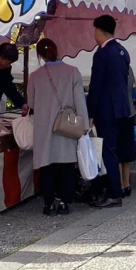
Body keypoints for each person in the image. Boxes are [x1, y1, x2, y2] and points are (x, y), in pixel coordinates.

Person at [29, 38, 89, 217]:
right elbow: (80, 101)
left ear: (40, 55)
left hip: (44, 126)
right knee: (67, 165)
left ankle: (49, 204)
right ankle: (64, 202)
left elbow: (31, 102)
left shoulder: (35, 76)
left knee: (47, 165)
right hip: (67, 125)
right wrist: (84, 125)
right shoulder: (72, 72)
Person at [86, 15, 133, 208]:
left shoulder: (102, 54)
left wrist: (90, 113)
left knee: (108, 152)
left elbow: (96, 86)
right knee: (114, 150)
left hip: (107, 109)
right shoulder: (122, 50)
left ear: (98, 30)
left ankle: (114, 193)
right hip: (122, 107)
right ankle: (116, 188)